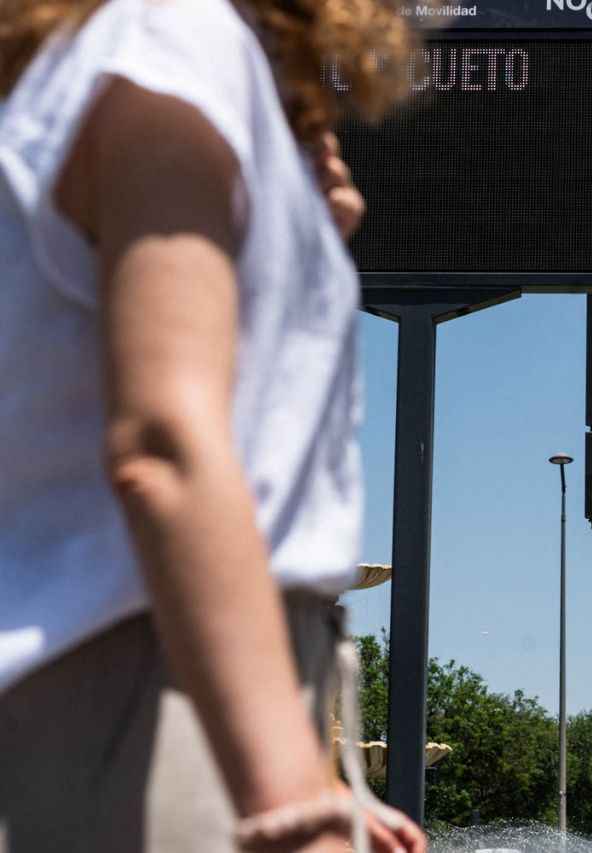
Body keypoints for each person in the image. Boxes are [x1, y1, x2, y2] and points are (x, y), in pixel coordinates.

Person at [0, 1, 426, 851]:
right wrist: (292, 799)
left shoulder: (118, 53)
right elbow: (167, 449)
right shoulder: (172, 41)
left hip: (152, 698)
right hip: (150, 702)